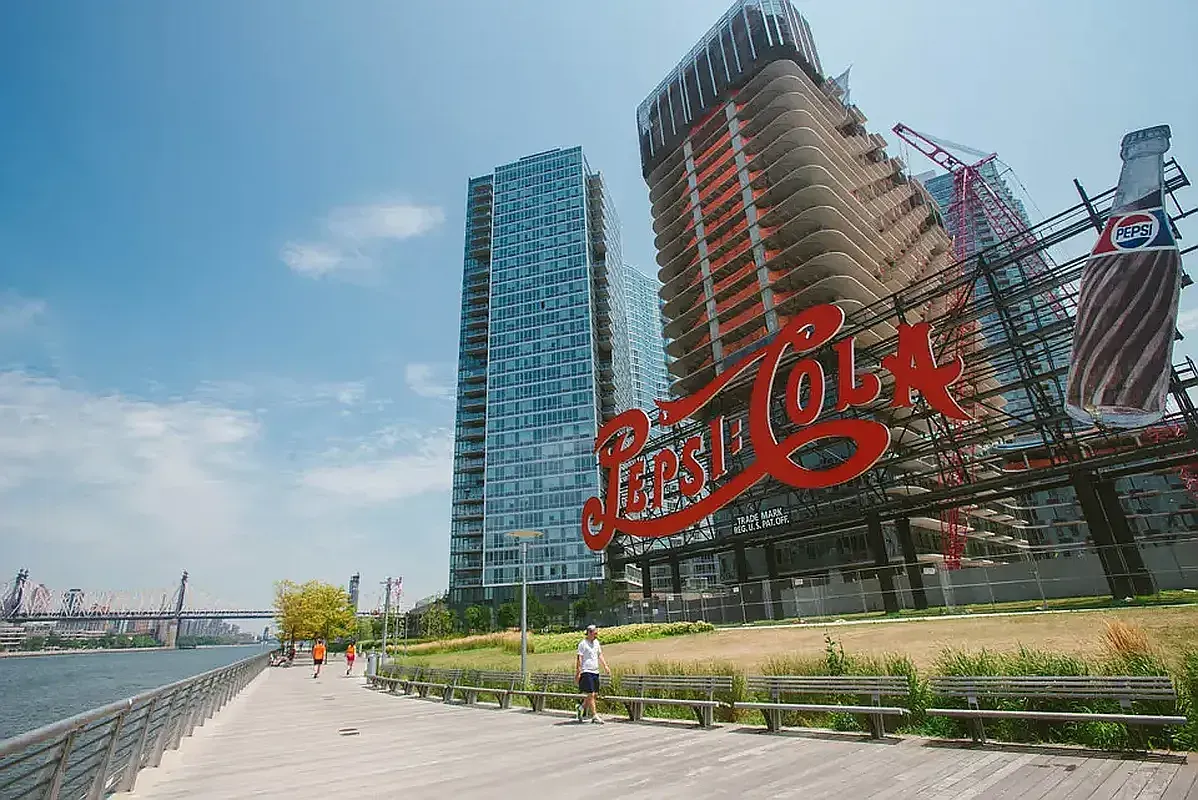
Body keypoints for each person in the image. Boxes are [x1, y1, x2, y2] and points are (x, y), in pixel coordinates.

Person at [575, 624, 610, 724]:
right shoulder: (582, 644)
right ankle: (595, 715)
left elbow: (600, 655)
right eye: (595, 633)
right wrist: (578, 671)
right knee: (590, 693)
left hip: (595, 671)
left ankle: (581, 708)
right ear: (589, 633)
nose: (596, 635)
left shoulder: (596, 643)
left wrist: (605, 666)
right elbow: (579, 658)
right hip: (586, 671)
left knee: (594, 694)